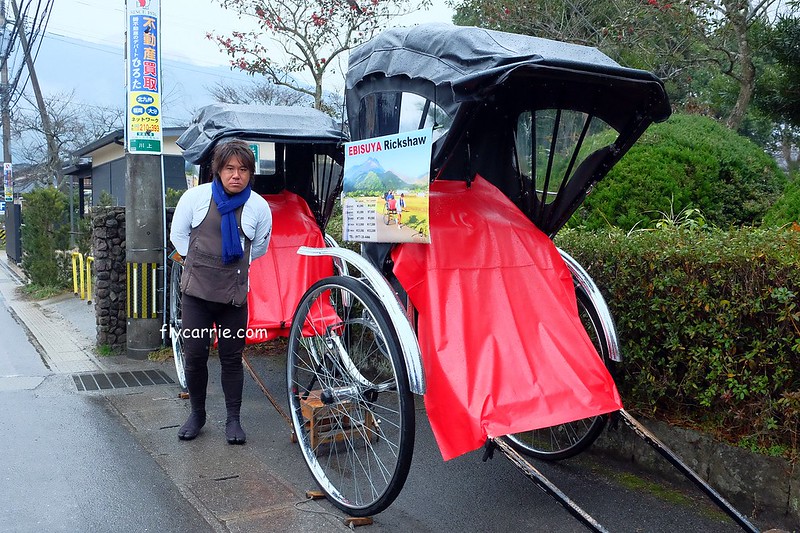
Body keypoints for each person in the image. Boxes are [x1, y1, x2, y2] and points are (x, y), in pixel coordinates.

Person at [170, 139, 272, 444]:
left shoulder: (258, 206)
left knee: (231, 358)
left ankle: (233, 419)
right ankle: (197, 414)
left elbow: (261, 247)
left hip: (233, 297)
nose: (236, 175)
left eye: (243, 169)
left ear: (250, 173)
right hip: (197, 296)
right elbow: (178, 235)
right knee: (196, 355)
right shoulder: (195, 198)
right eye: (229, 168)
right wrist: (202, 264)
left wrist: (233, 267)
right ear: (218, 170)